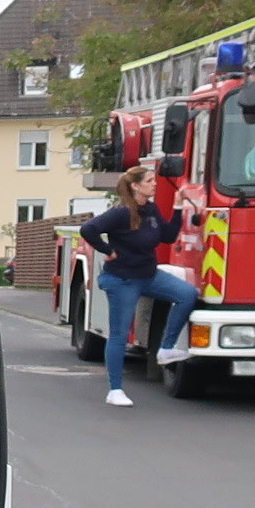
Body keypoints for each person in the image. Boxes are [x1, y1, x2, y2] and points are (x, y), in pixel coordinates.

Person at [78, 165, 200, 405]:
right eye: (149, 181)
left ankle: (165, 349)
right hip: (123, 280)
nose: (154, 184)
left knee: (186, 294)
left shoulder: (151, 209)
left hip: (148, 275)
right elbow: (88, 229)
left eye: (154, 180)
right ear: (135, 186)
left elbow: (166, 236)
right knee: (119, 335)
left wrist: (177, 206)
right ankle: (115, 390)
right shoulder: (121, 212)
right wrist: (107, 250)